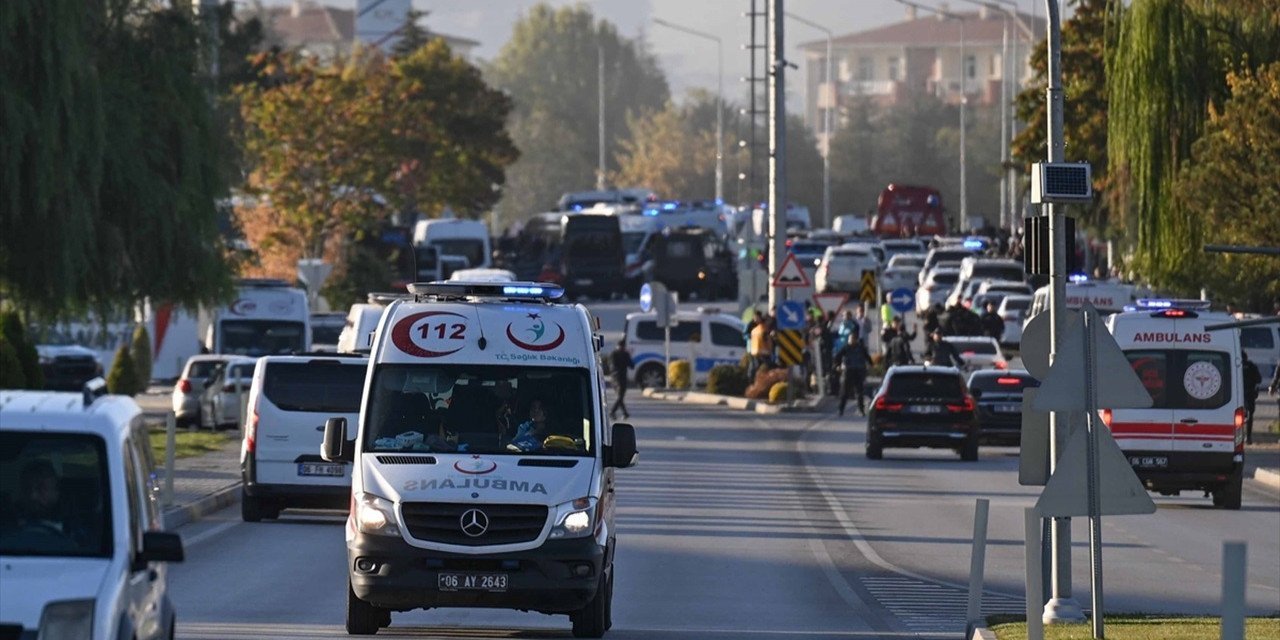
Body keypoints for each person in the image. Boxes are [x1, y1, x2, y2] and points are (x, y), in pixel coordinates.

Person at [834, 333, 871, 416]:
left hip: (858, 372)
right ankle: (841, 410)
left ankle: (861, 410)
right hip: (848, 372)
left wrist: (870, 366)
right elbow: (837, 357)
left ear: (856, 340)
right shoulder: (846, 348)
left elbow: (867, 357)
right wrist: (837, 366)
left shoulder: (860, 348)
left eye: (853, 339)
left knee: (859, 393)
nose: (851, 341)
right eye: (850, 339)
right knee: (844, 393)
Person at [609, 340, 634, 420]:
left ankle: (624, 413)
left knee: (620, 397)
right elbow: (632, 365)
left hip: (618, 378)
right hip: (618, 379)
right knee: (620, 397)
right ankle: (613, 412)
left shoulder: (620, 354)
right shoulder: (617, 354)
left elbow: (631, 365)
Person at [1242, 352, 1261, 445]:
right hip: (1250, 394)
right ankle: (1248, 437)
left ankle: (1238, 436)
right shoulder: (1252, 366)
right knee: (1250, 416)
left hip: (1238, 395)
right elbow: (1259, 379)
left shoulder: (1235, 365)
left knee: (1236, 416)